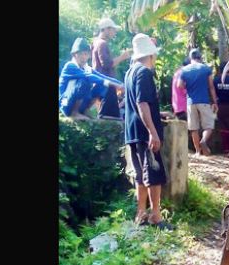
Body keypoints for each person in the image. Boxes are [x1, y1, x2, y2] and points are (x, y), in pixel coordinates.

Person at [123, 33, 173, 230]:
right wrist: (153, 131)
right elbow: (141, 103)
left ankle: (141, 213)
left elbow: (138, 105)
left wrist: (157, 113)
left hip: (133, 132)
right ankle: (156, 216)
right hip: (145, 133)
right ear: (150, 55)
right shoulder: (144, 72)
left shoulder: (129, 72)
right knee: (153, 174)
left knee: (139, 175)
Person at [59, 37, 123, 120]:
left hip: (82, 104)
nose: (83, 57)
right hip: (66, 103)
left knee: (103, 85)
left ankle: (85, 110)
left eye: (85, 54)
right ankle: (74, 113)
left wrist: (120, 84)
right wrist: (113, 84)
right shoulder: (70, 66)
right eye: (80, 54)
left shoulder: (87, 68)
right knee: (85, 80)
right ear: (74, 55)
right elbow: (88, 76)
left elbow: (103, 77)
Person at [91, 18, 132, 119]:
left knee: (110, 116)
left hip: (102, 84)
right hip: (107, 85)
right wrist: (122, 57)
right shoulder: (102, 44)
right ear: (106, 29)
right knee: (109, 117)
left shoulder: (96, 42)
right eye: (113, 30)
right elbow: (107, 65)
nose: (115, 32)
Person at [181, 48, 218, 155]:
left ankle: (197, 151)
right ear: (200, 57)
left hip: (190, 102)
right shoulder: (206, 69)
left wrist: (188, 86)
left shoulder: (185, 70)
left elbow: (180, 85)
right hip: (204, 101)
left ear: (190, 58)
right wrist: (215, 102)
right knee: (209, 125)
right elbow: (211, 87)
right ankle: (204, 141)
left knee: (194, 128)